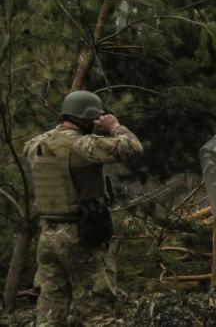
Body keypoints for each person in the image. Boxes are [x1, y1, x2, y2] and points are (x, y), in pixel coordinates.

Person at [24, 90, 143, 327]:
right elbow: (133, 148)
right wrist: (115, 126)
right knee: (98, 312)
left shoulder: (34, 145)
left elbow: (56, 143)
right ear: (87, 118)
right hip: (79, 235)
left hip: (47, 235)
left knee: (49, 314)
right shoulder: (82, 145)